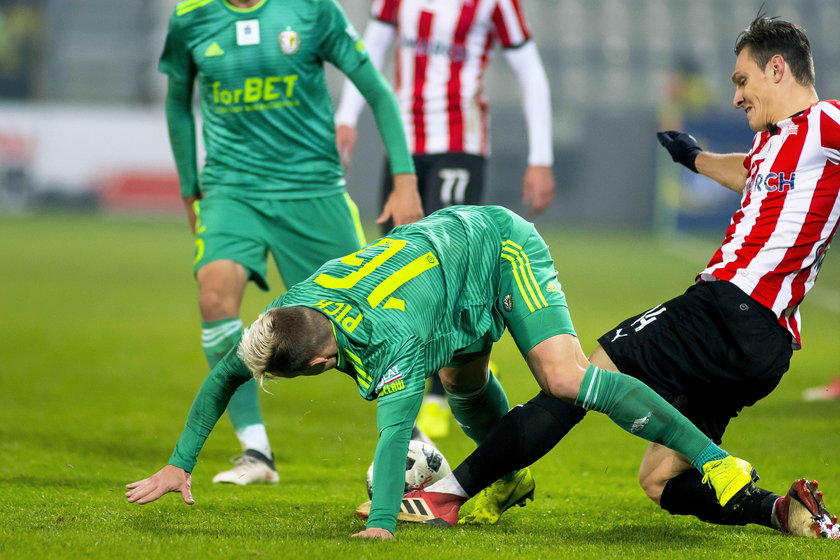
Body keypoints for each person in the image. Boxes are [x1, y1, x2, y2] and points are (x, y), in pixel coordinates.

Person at [395, 14, 840, 539]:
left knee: (572, 381)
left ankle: (447, 495)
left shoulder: (827, 122)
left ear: (778, 67)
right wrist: (693, 157)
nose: (737, 96)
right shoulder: (776, 144)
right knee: (660, 480)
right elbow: (747, 171)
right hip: (762, 347)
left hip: (727, 308)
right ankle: (787, 513)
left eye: (743, 81)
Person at [126, 205, 758, 540]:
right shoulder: (290, 314)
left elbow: (395, 432)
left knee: (565, 378)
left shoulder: (390, 343)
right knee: (462, 383)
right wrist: (180, 462)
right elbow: (222, 377)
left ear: (319, 364)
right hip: (441, 281)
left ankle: (713, 459)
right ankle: (508, 483)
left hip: (495, 247)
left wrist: (381, 522)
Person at [158, 0, 423, 484]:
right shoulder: (190, 17)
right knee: (214, 292)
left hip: (312, 189)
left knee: (365, 318)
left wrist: (404, 179)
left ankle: (415, 441)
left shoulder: (312, 10)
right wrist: (189, 187)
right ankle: (256, 452)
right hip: (231, 189)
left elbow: (376, 90)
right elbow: (177, 100)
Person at [333, 0, 555, 439]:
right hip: (403, 146)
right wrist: (346, 116)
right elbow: (370, 49)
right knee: (397, 262)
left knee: (448, 266)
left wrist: (541, 157)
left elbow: (530, 71)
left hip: (461, 142)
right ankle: (406, 375)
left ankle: (438, 393)